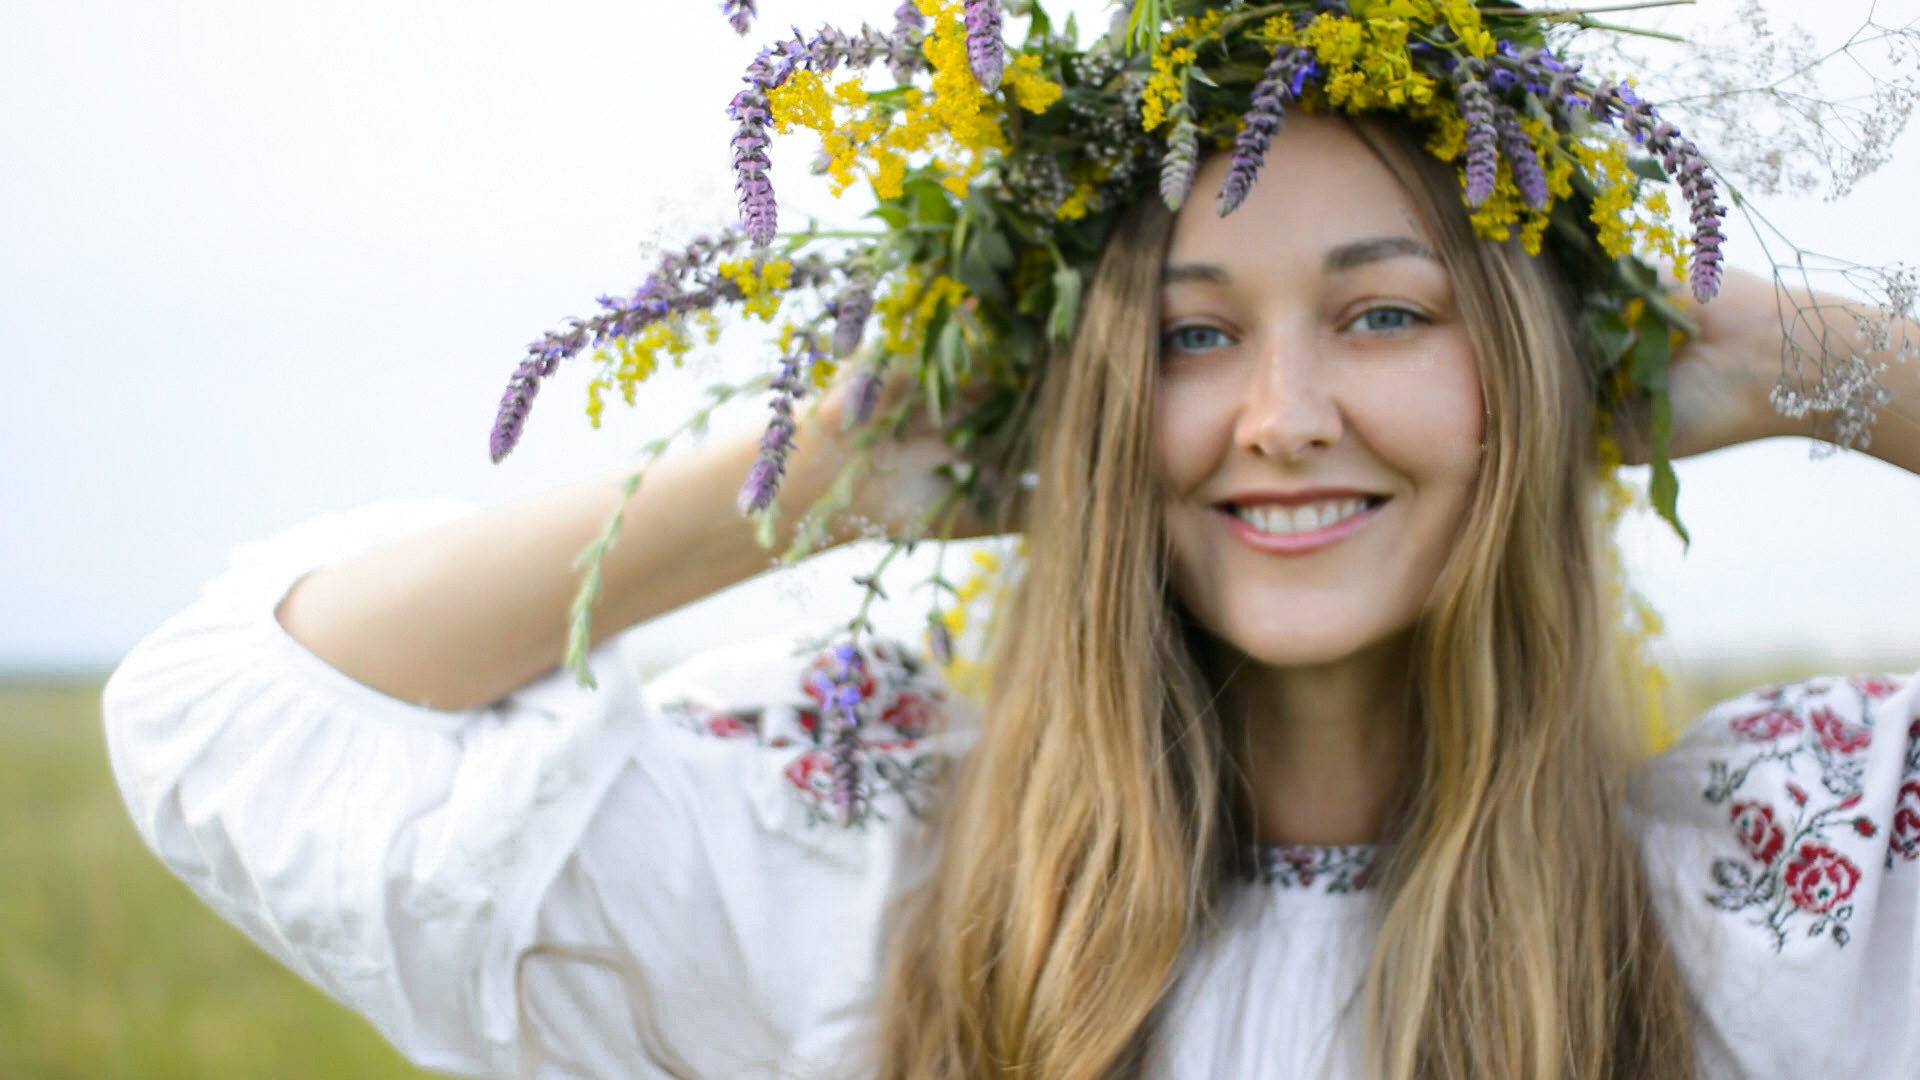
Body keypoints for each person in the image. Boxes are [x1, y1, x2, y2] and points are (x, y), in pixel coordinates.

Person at [104, 4, 1920, 1078]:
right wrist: (838, 457)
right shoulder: (859, 877)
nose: (1279, 412)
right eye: (1190, 334)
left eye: (1386, 315)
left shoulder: (1790, 910)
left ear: (1528, 376)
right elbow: (237, 720)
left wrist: (1806, 362)